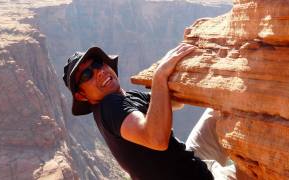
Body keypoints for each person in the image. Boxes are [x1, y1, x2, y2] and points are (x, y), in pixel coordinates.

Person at [63, 44, 235, 180]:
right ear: (81, 95)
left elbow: (174, 103)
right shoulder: (109, 106)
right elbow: (157, 139)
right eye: (87, 75)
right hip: (200, 177)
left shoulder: (128, 97)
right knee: (255, 156)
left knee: (219, 111)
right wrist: (160, 76)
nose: (98, 72)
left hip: (189, 161)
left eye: (97, 63)